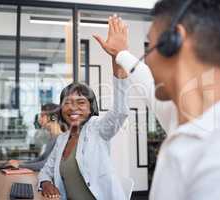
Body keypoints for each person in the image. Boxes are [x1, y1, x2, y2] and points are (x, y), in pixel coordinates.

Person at [94, 0, 220, 199]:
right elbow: (143, 78)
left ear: (174, 42)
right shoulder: (178, 113)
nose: (147, 60)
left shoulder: (213, 155)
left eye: (149, 48)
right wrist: (121, 54)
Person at [38, 40, 130, 199]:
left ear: (90, 108)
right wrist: (46, 183)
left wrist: (118, 58)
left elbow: (120, 111)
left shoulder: (97, 129)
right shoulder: (63, 139)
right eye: (67, 102)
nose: (73, 108)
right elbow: (46, 170)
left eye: (81, 103)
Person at [9, 103, 62, 171]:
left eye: (42, 116)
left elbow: (45, 164)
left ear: (53, 117)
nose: (39, 119)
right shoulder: (52, 137)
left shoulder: (60, 138)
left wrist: (20, 165)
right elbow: (42, 158)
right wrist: (22, 163)